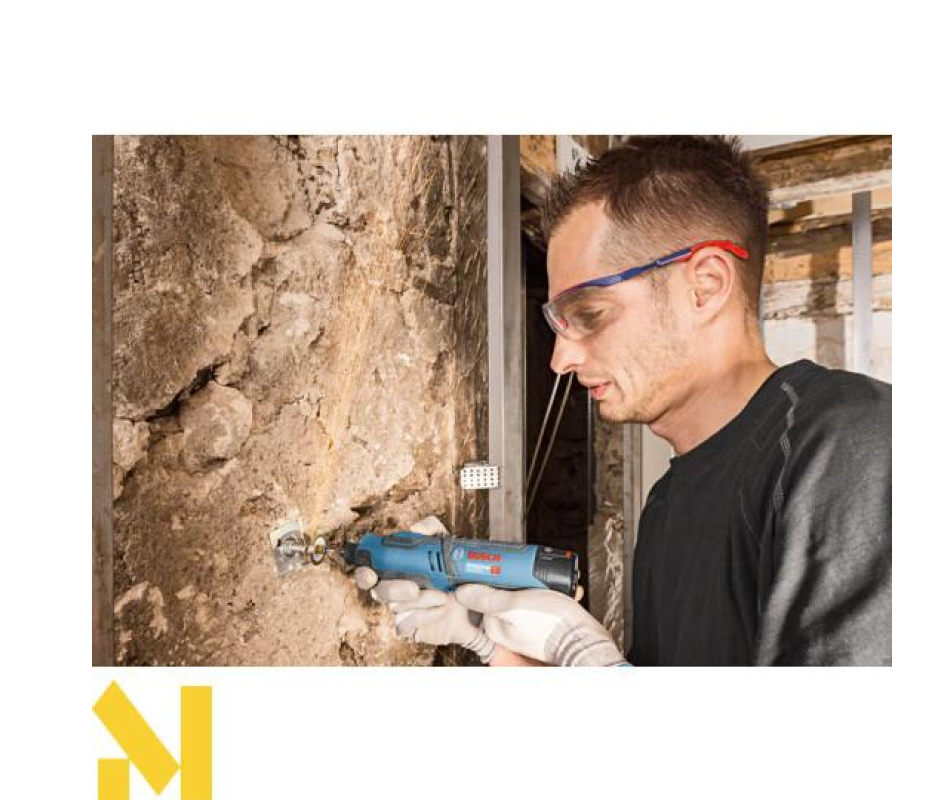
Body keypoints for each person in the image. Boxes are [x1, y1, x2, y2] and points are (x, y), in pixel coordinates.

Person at [354, 135, 891, 666]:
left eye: (589, 314)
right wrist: (487, 639)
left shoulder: (853, 446)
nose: (560, 359)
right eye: (559, 324)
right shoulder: (665, 506)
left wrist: (591, 662)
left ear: (705, 285)